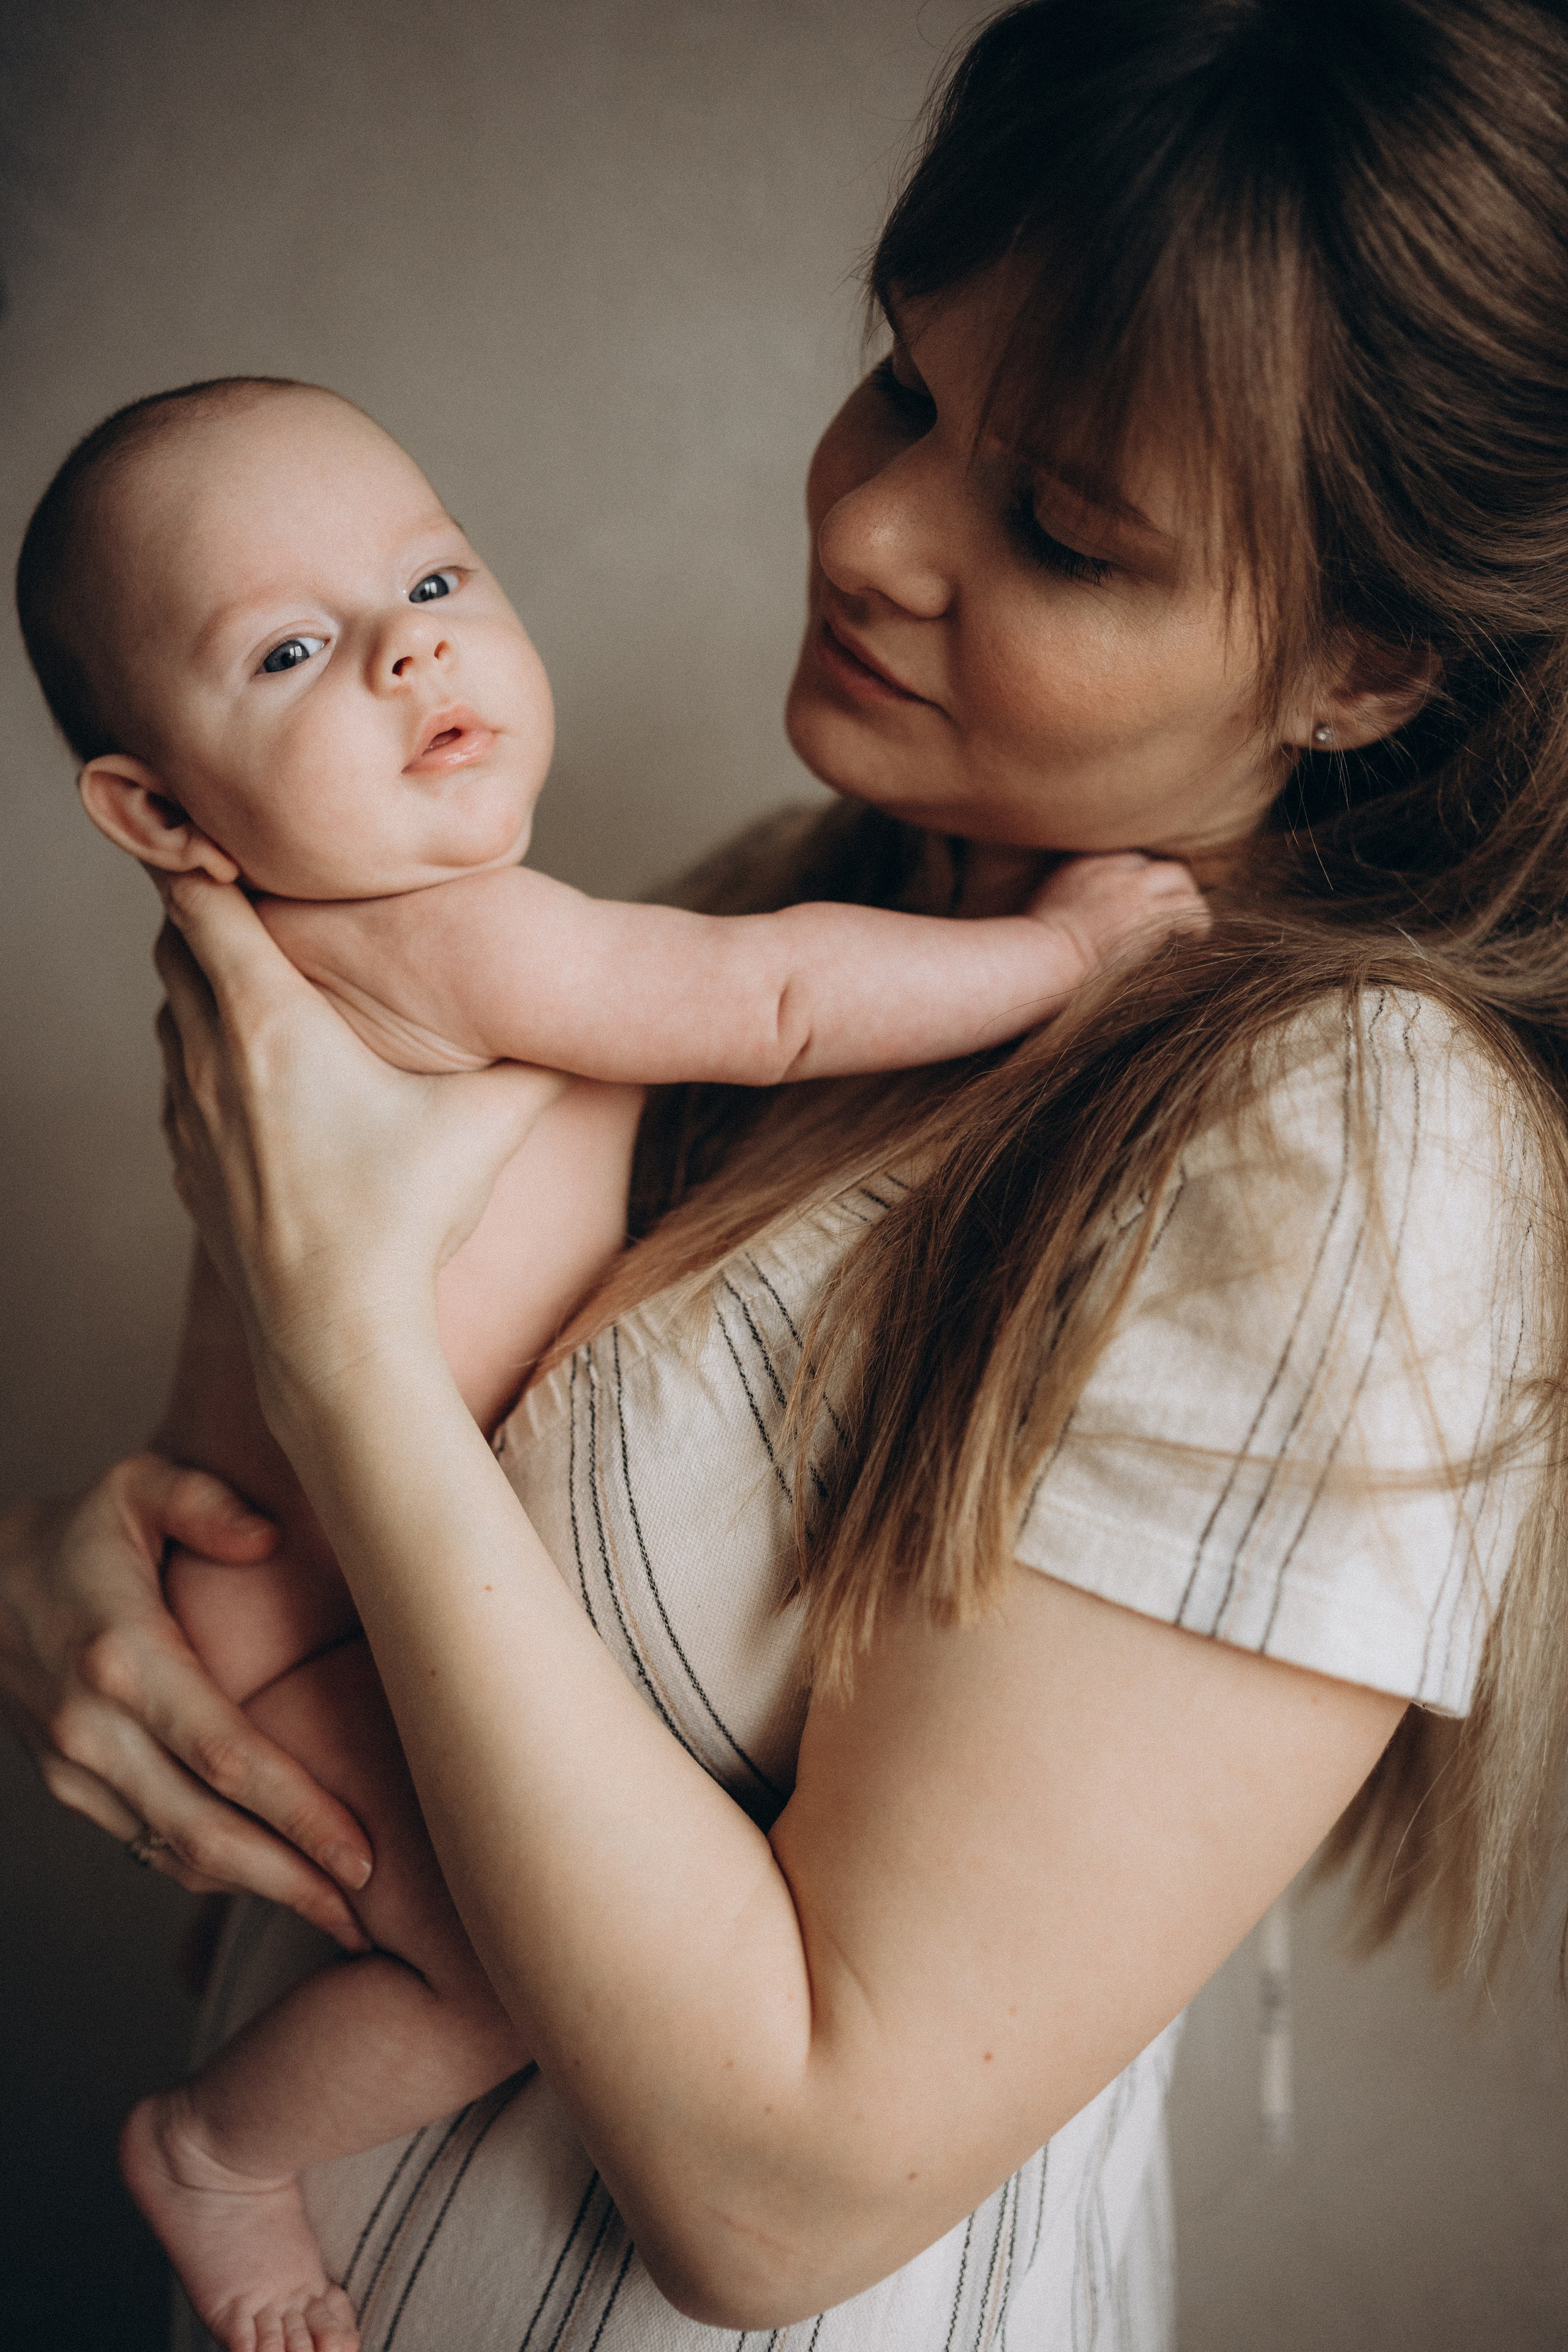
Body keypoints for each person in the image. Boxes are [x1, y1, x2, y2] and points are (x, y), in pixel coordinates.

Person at [6, 1, 1568, 2345]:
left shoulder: (1348, 1146)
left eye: (1058, 527)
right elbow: (438, 1501)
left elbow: (778, 2201)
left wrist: (333, 1353)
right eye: (902, 385)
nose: (859, 524)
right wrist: (97, 1579)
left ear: (1361, 666)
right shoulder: (786, 911)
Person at [13, 375, 1200, 2352]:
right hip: (296, 1620)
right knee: (500, 1974)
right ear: (156, 812)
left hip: (269, 1587)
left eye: (433, 574)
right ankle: (219, 2152)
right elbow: (781, 995)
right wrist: (1073, 963)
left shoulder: (352, 962)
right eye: (294, 648)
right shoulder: (430, 938)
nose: (409, 647)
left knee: (406, 1923)